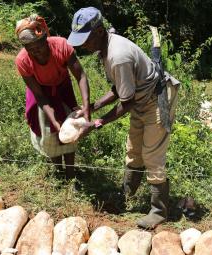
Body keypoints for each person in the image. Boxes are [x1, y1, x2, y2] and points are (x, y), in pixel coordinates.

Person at [68, 7, 179, 229]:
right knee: (133, 149)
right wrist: (94, 105)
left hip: (158, 100)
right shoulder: (106, 46)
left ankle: (159, 211)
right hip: (141, 98)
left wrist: (98, 123)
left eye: (85, 39)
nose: (83, 46)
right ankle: (127, 194)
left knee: (152, 154)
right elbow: (119, 88)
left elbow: (125, 103)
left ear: (99, 31)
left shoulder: (117, 56)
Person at [15, 14, 91, 180]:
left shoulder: (61, 46)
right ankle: (58, 171)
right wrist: (55, 122)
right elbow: (40, 97)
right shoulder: (22, 61)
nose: (38, 52)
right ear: (25, 49)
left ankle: (70, 174)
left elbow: (81, 76)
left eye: (40, 47)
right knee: (49, 132)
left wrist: (86, 108)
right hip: (40, 93)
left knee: (69, 130)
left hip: (63, 88)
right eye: (31, 49)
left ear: (45, 39)